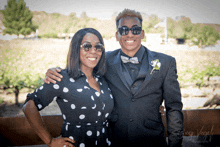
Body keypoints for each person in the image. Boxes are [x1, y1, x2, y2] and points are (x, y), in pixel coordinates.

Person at [44, 9, 184, 147]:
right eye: (124, 30)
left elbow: (174, 108)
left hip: (152, 141)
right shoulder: (103, 60)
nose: (129, 34)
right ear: (117, 35)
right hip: (113, 141)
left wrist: (175, 144)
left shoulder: (165, 62)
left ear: (142, 34)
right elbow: (81, 67)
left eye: (135, 30)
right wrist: (56, 71)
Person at [22, 28, 114, 147]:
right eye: (87, 46)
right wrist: (50, 141)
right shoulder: (61, 78)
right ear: (76, 48)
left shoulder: (102, 79)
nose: (93, 51)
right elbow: (29, 106)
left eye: (98, 47)